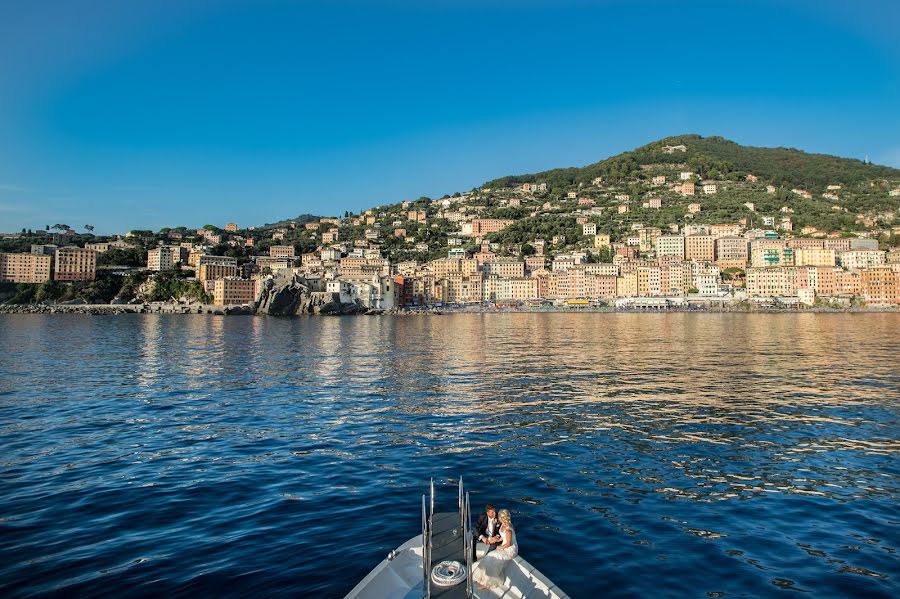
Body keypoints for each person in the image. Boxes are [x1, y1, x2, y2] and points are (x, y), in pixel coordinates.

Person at [472, 508, 518, 589]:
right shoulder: (503, 525)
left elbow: (509, 543)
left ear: (501, 518)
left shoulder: (508, 529)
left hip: (510, 549)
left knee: (492, 557)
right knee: (489, 557)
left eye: (499, 516)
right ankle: (484, 578)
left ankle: (489, 583)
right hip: (504, 545)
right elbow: (503, 537)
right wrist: (498, 539)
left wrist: (501, 547)